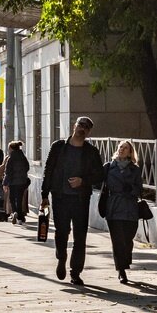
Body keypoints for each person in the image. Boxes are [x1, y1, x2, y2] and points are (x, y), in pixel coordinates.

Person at [40, 116, 105, 285]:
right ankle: (61, 258)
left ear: (89, 132)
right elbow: (48, 169)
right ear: (74, 126)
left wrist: (83, 181)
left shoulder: (91, 152)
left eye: (86, 127)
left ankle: (75, 272)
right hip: (60, 197)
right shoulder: (58, 147)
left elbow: (99, 175)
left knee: (80, 236)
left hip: (81, 199)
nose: (82, 129)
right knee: (61, 232)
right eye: (80, 125)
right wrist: (44, 195)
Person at [104, 140, 144, 284]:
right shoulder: (109, 167)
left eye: (125, 148)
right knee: (117, 241)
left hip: (130, 208)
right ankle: (121, 270)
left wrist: (131, 189)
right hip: (114, 208)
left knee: (127, 239)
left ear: (130, 152)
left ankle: (125, 260)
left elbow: (140, 189)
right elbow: (99, 183)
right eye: (120, 147)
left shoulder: (135, 169)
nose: (122, 149)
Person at [1, 141, 31, 224]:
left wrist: (5, 183)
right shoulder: (23, 157)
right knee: (20, 199)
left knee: (12, 198)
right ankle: (20, 218)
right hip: (22, 182)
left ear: (11, 149)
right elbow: (27, 167)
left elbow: (8, 172)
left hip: (13, 182)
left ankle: (14, 212)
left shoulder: (11, 158)